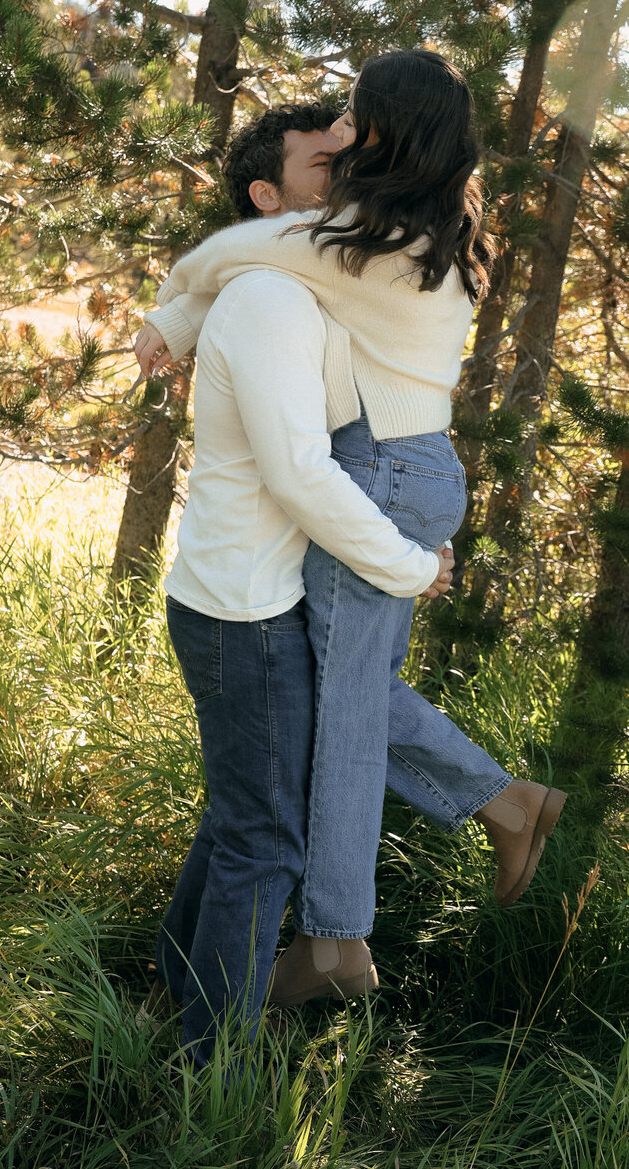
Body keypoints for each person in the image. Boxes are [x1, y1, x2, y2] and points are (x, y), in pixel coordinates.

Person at [138, 55, 566, 1010]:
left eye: (355, 119)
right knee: (353, 693)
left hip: (381, 468)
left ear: (387, 133)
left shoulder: (370, 245)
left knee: (346, 707)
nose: (340, 133)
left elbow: (235, 252)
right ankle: (496, 810)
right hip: (413, 468)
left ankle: (339, 942)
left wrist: (170, 309)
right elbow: (264, 252)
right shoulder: (424, 230)